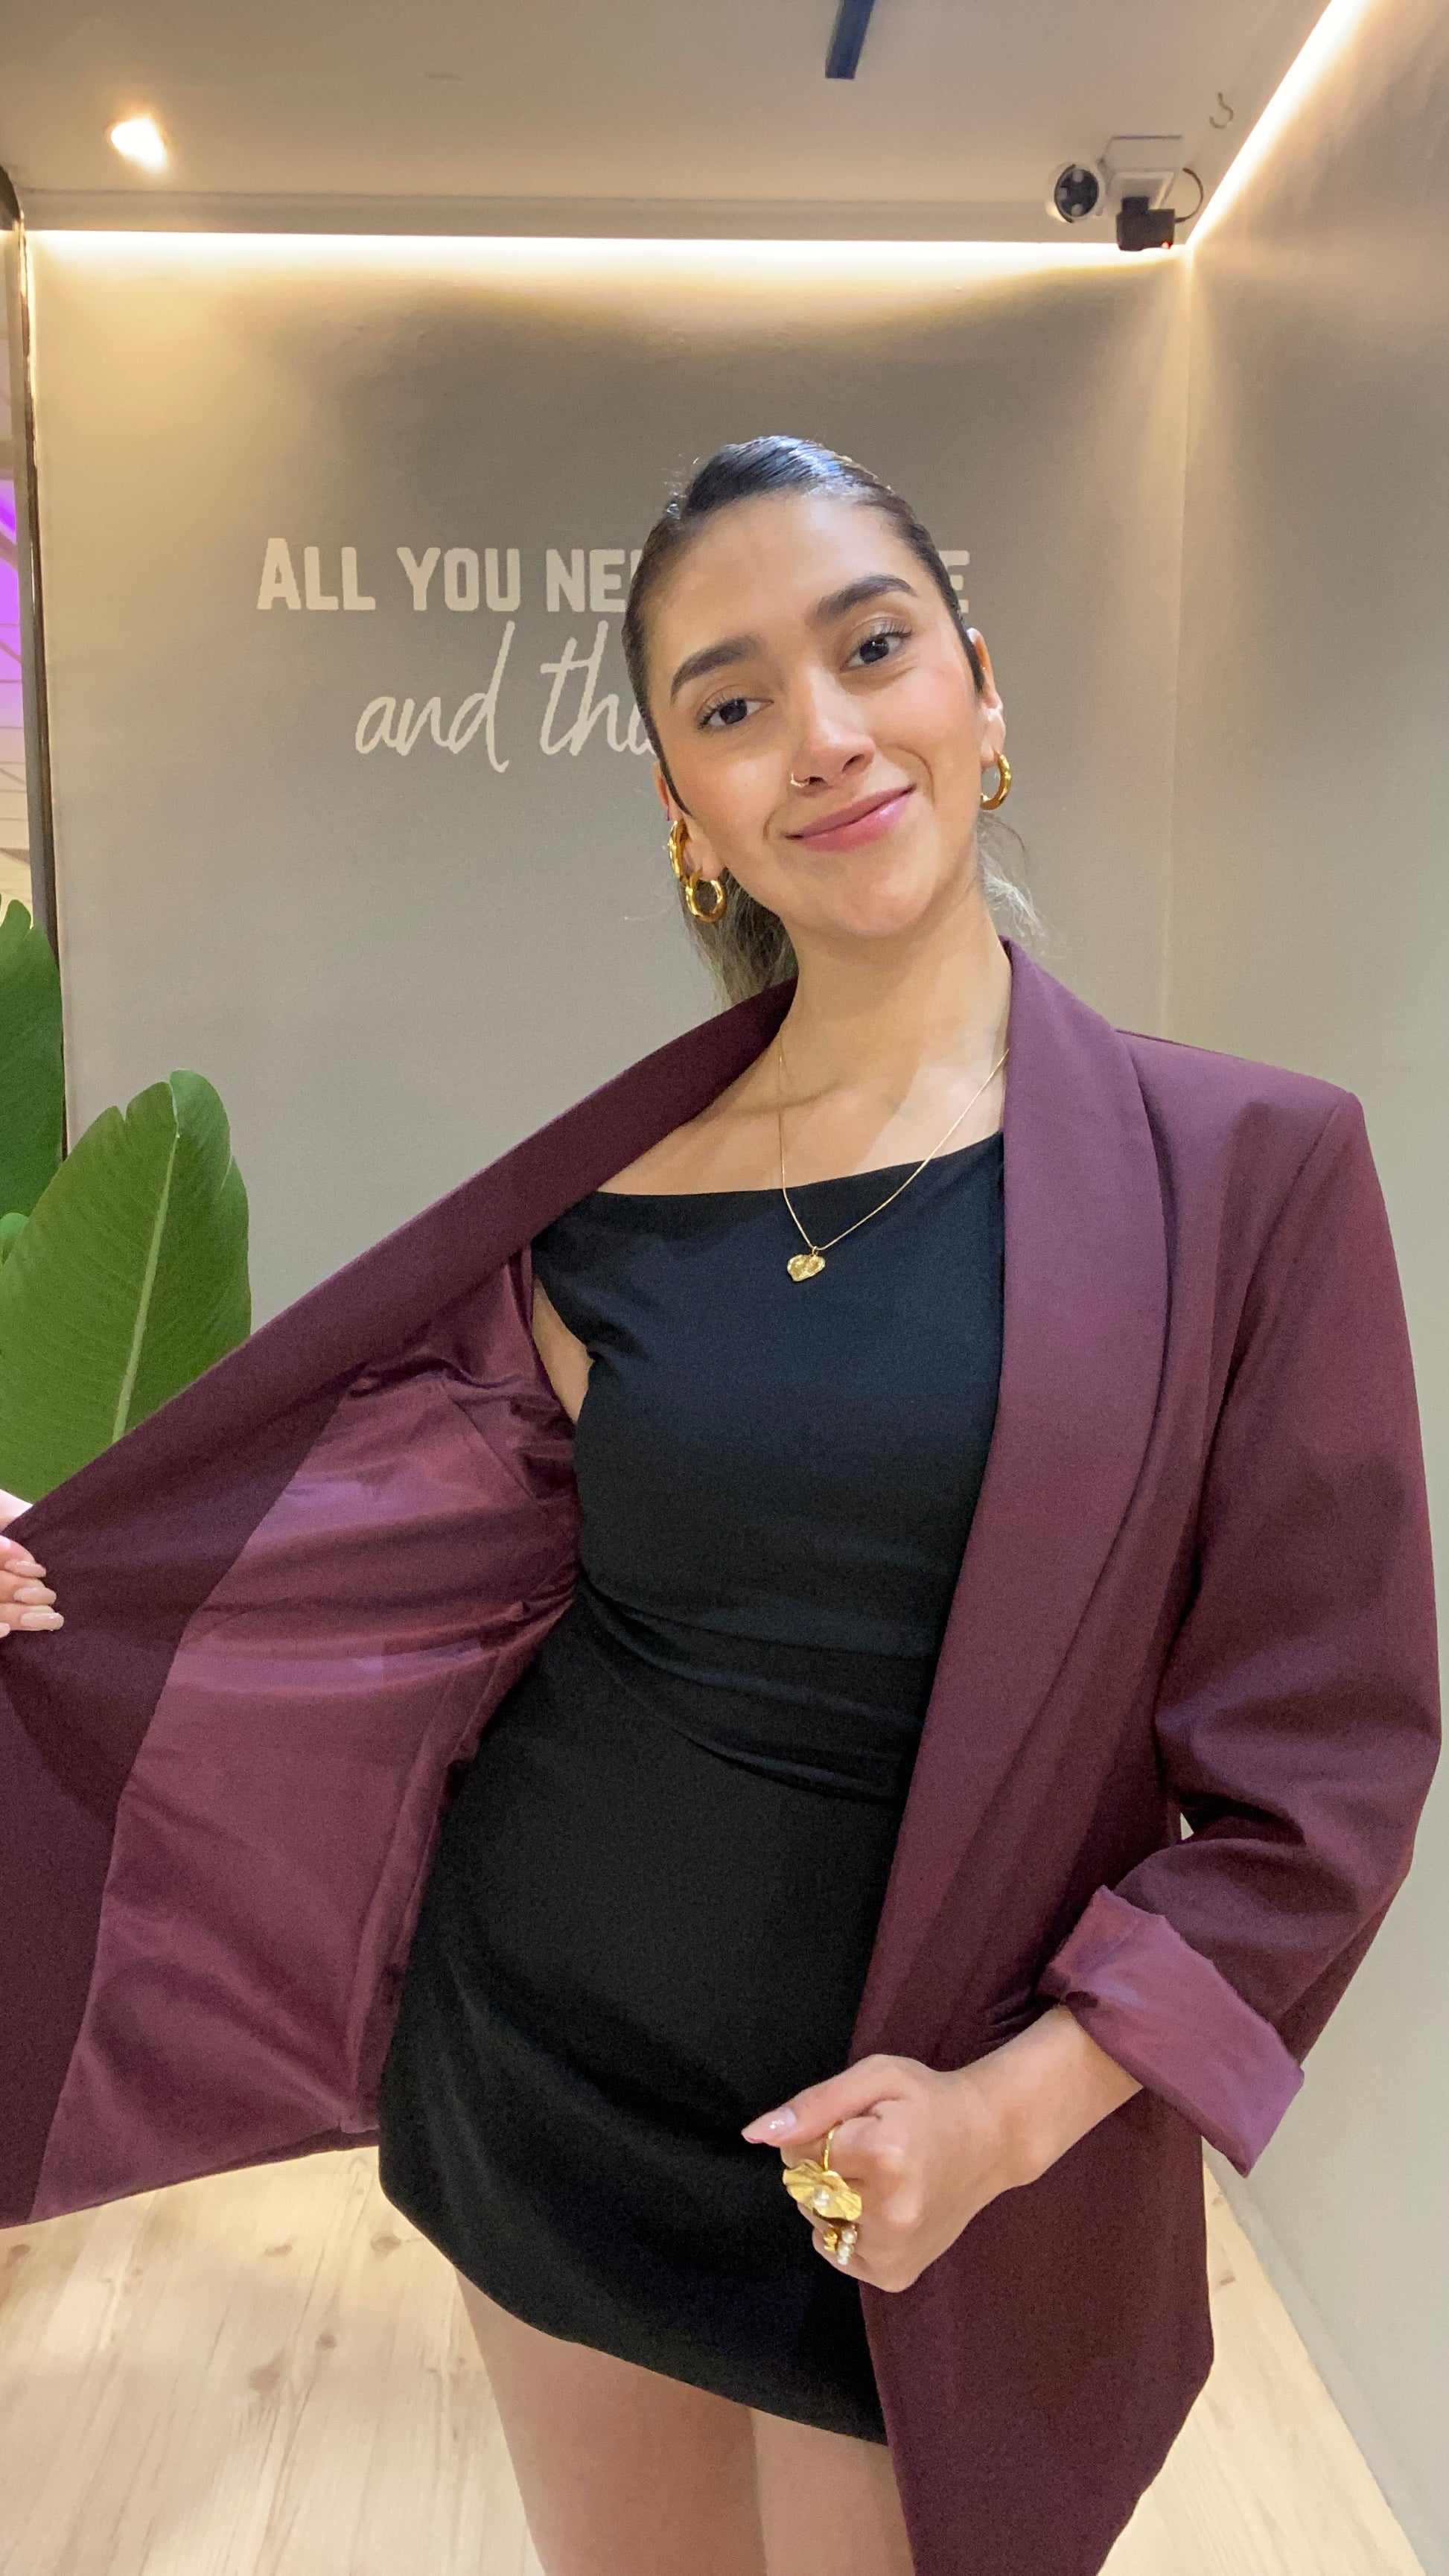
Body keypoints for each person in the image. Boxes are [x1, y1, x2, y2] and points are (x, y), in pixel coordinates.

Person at [0, 437, 1438, 2576]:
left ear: (979, 691)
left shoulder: (1246, 1174)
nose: (823, 734)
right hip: (540, 2076)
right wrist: (58, 1570)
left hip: (917, 2155)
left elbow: (1320, 1776)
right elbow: (363, 1571)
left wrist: (1009, 2114)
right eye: (733, 701)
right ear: (683, 802)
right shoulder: (603, 1217)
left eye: (872, 648)